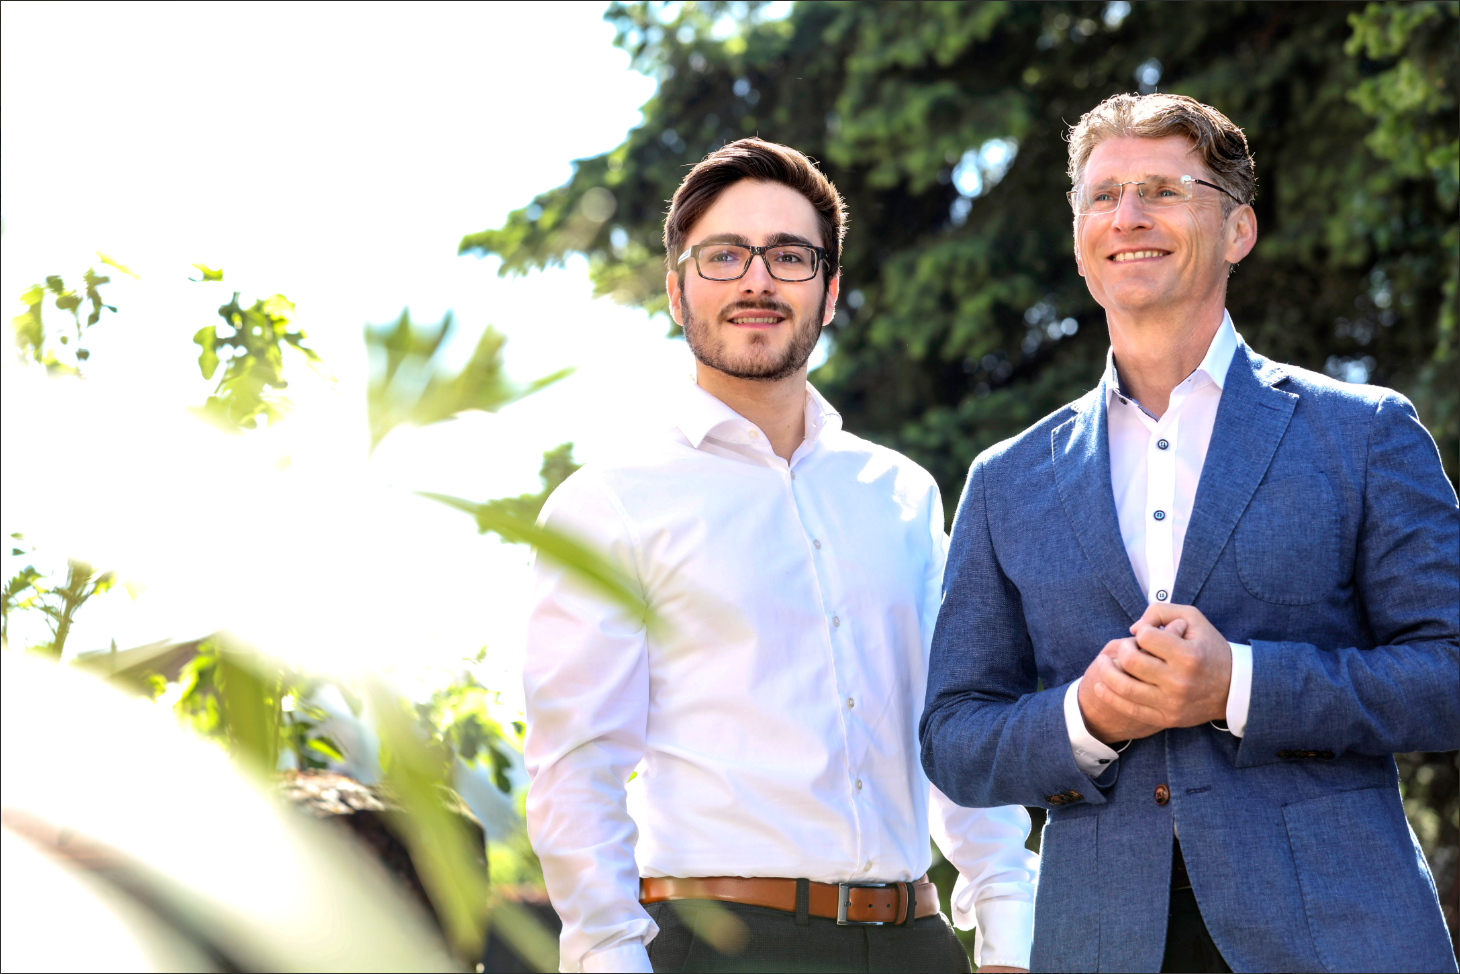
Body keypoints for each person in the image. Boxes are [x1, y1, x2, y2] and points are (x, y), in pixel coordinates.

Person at [920, 92, 1459, 974]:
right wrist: (1083, 715)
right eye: (1102, 196)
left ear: (1237, 229)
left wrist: (1238, 684)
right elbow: (953, 739)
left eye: (1164, 190)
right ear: (1080, 243)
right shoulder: (1005, 481)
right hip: (1099, 943)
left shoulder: (1363, 434)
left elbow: (1449, 672)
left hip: (1339, 939)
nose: (1128, 216)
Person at [523, 138, 1036, 974]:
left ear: (828, 293)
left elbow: (956, 720)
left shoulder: (902, 494)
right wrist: (609, 957)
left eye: (789, 256)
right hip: (720, 947)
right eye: (724, 255)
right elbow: (577, 771)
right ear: (677, 289)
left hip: (917, 943)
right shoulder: (609, 504)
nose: (757, 280)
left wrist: (1009, 929)